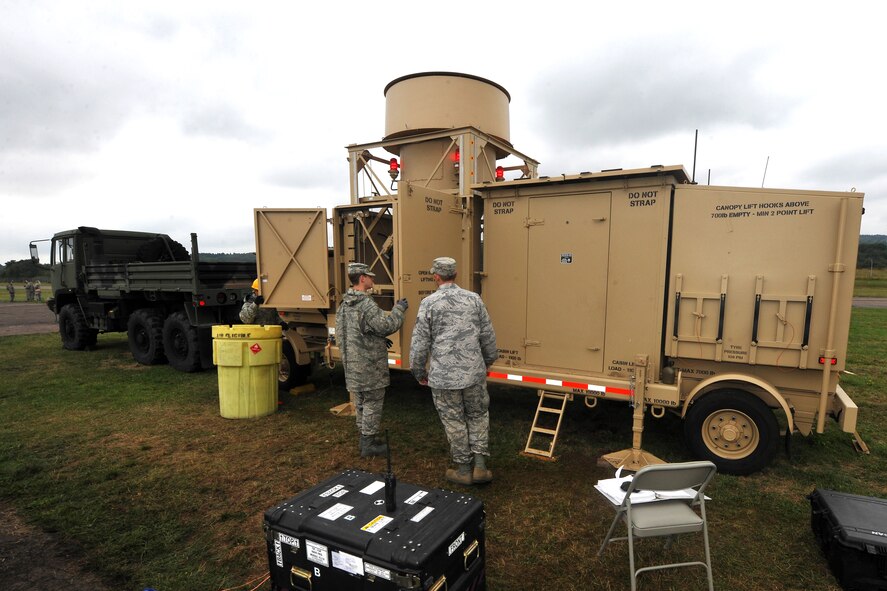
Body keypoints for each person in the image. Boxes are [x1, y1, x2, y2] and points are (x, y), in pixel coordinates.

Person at [410, 257, 498, 485]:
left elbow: (420, 343)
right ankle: (480, 467)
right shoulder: (474, 299)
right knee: (478, 416)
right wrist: (487, 361)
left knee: (454, 421)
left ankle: (462, 470)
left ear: (436, 277)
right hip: (473, 373)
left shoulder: (429, 303)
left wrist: (418, 371)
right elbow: (487, 335)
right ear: (455, 275)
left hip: (444, 377)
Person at [336, 262, 408, 457]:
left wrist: (376, 341)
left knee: (360, 402)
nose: (373, 279)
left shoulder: (344, 305)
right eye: (370, 276)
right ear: (362, 279)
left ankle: (364, 438)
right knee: (372, 403)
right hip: (369, 367)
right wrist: (399, 310)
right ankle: (368, 445)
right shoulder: (366, 304)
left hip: (352, 365)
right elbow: (386, 326)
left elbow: (347, 335)